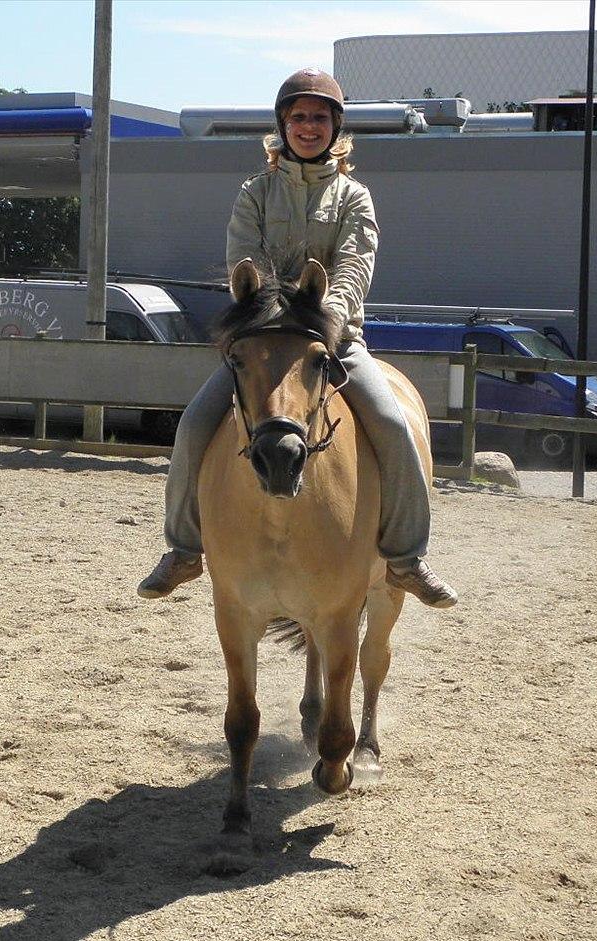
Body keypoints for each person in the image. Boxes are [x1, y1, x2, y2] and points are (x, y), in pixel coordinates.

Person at [138, 68, 458, 609]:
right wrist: (270, 317)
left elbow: (356, 266)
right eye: (298, 117)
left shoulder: (355, 197)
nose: (307, 126)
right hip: (263, 341)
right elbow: (246, 262)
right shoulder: (254, 194)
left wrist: (323, 321)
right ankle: (184, 549)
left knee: (393, 424)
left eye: (318, 117)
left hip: (333, 341)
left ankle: (405, 559)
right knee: (194, 424)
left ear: (336, 128)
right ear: (282, 127)